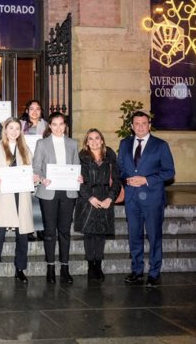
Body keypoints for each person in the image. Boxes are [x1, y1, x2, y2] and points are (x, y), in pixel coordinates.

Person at [118, 111, 175, 288]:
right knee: (134, 235)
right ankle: (136, 270)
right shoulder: (125, 143)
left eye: (144, 123)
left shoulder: (161, 145)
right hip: (132, 199)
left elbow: (169, 172)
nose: (140, 126)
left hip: (153, 199)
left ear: (149, 124)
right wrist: (126, 178)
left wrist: (146, 179)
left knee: (154, 236)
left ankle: (154, 273)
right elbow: (120, 168)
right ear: (132, 126)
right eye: (137, 123)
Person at [32, 111, 82, 284]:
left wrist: (79, 177)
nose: (58, 128)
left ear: (65, 126)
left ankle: (65, 268)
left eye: (61, 124)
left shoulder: (73, 143)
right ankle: (51, 267)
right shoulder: (42, 144)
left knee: (65, 231)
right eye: (55, 124)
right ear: (50, 126)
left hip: (68, 192)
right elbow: (35, 169)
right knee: (49, 231)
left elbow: (77, 167)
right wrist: (41, 178)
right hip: (49, 191)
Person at [0, 117, 35, 285]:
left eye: (17, 128)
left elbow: (31, 170)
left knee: (22, 235)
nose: (14, 131)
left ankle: (20, 269)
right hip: (5, 195)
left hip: (22, 195)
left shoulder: (25, 148)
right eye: (10, 128)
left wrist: (35, 178)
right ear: (5, 130)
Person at [74, 128, 121, 281]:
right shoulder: (80, 158)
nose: (94, 141)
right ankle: (91, 266)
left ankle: (98, 265)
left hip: (105, 197)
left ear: (102, 140)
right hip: (87, 199)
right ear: (86, 142)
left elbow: (117, 180)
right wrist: (89, 197)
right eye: (90, 139)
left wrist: (110, 198)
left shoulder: (110, 157)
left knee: (100, 233)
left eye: (97, 138)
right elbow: (77, 180)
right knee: (89, 234)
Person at [20, 99, 47, 240]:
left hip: (41, 167)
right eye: (32, 109)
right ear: (27, 111)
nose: (35, 112)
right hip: (24, 165)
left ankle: (41, 227)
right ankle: (29, 228)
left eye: (37, 109)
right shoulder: (20, 126)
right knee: (27, 200)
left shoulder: (47, 126)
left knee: (39, 198)